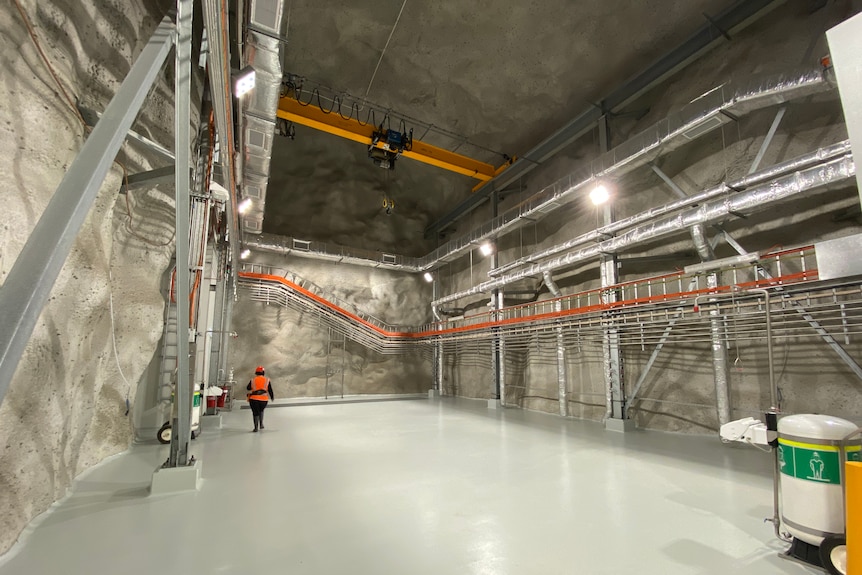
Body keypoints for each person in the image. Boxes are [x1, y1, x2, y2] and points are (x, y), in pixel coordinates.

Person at [246, 366, 274, 432]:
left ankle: (256, 428)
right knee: (261, 410)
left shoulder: (253, 380)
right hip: (264, 400)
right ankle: (261, 424)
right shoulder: (267, 380)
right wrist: (272, 397)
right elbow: (270, 390)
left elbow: (248, 388)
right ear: (263, 373)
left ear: (256, 373)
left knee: (255, 413)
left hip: (254, 399)